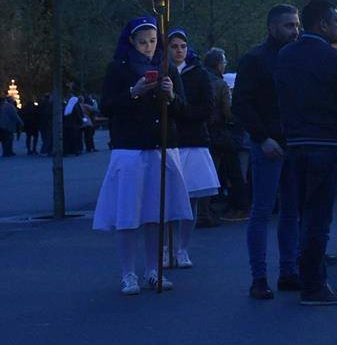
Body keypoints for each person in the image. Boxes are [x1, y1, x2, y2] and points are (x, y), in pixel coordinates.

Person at [275, 0, 337, 306]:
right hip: (326, 142)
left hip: (296, 141)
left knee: (302, 212)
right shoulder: (332, 58)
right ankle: (314, 287)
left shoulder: (285, 55)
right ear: (323, 25)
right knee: (318, 216)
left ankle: (303, 274)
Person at [92, 16, 194, 295]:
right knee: (128, 214)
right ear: (131, 42)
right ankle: (128, 273)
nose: (148, 47)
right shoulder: (118, 68)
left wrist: (171, 96)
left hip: (160, 148)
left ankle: (153, 269)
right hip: (130, 149)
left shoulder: (167, 67)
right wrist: (133, 93)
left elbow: (185, 112)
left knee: (155, 214)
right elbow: (107, 106)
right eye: (142, 42)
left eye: (152, 41)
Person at [233, 4, 302, 300]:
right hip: (269, 144)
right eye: (289, 25)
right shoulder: (255, 59)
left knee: (292, 211)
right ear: (272, 27)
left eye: (297, 25)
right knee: (262, 211)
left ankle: (288, 270)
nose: (295, 31)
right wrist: (261, 138)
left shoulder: (297, 57)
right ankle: (259, 277)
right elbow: (242, 104)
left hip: (293, 141)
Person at [167, 28, 219, 269]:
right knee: (167, 200)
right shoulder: (162, 73)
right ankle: (166, 247)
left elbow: (207, 108)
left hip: (193, 140)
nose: (179, 50)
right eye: (174, 46)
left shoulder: (198, 74)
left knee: (192, 200)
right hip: (169, 141)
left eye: (182, 46)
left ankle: (183, 248)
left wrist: (182, 109)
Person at [199, 47, 233, 228]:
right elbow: (227, 112)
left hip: (196, 130)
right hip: (216, 132)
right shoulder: (221, 84)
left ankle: (198, 211)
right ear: (219, 65)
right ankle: (204, 212)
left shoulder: (197, 77)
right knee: (211, 173)